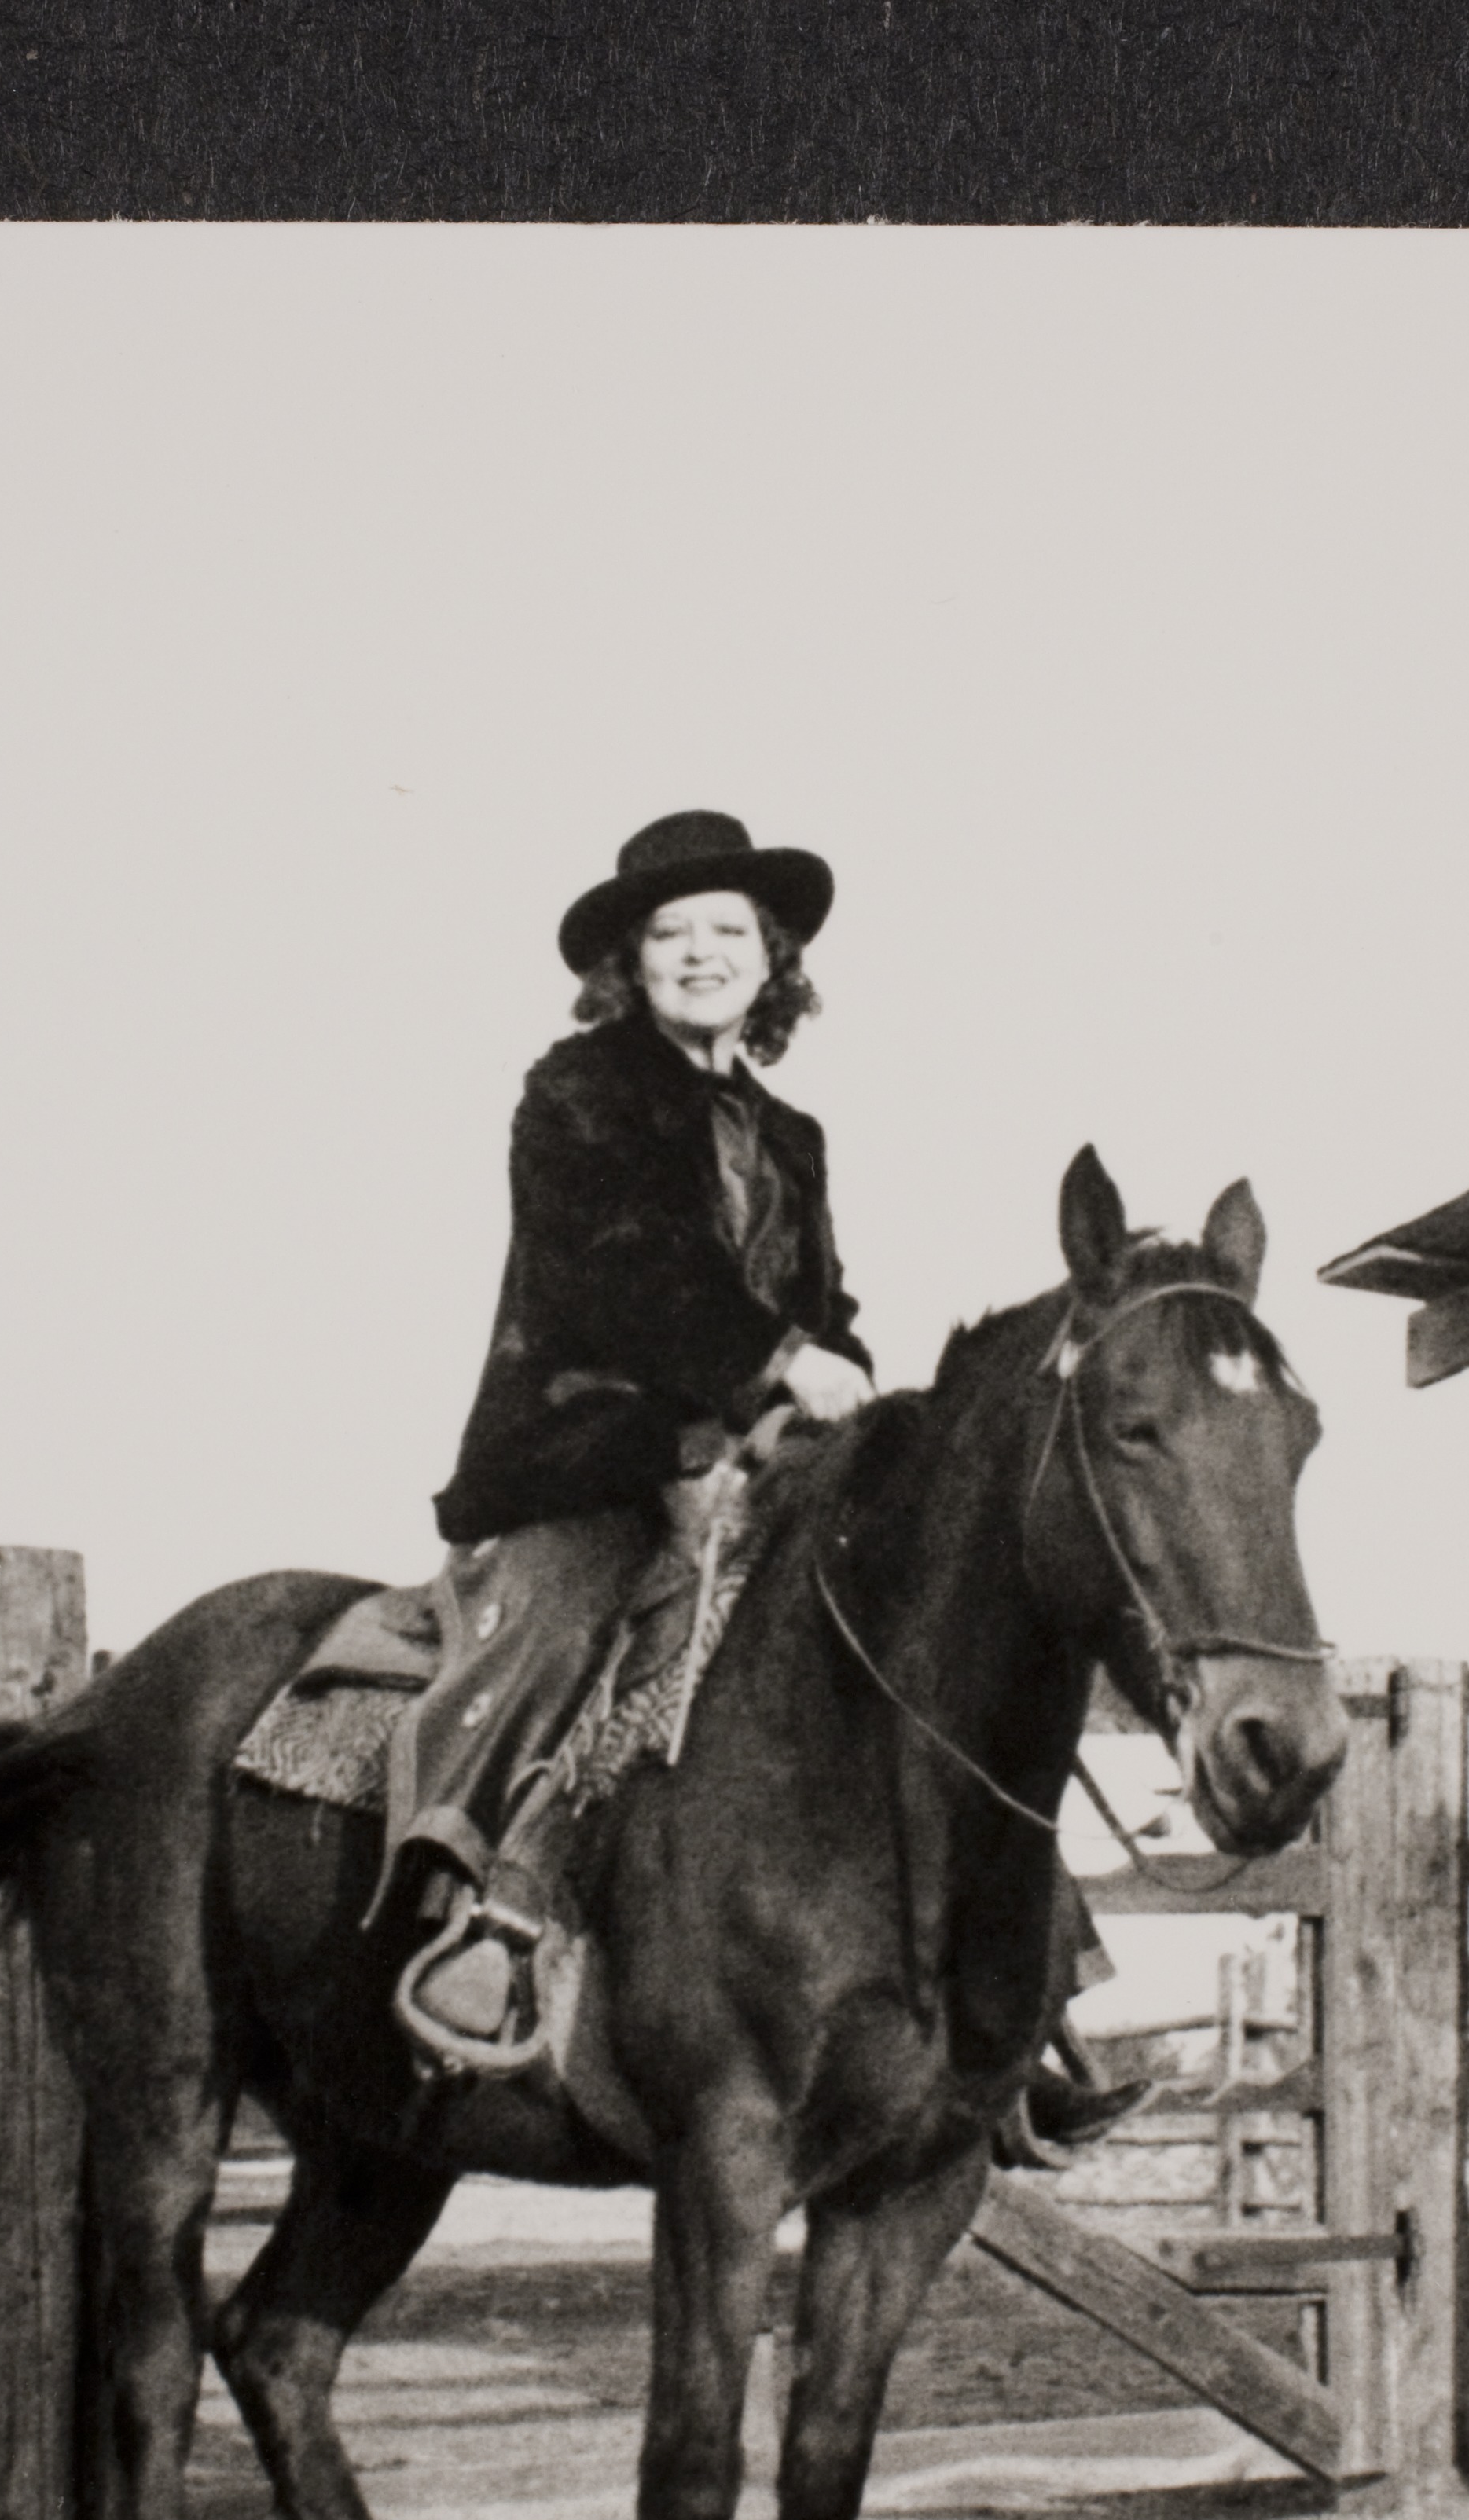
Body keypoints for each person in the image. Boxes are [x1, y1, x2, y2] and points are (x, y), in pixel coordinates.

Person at [394, 811, 1143, 2153]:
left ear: (772, 957)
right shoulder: (573, 1092)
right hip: (596, 1441)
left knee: (936, 1650)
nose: (699, 953)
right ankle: (499, 1916)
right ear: (630, 964)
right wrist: (781, 1360)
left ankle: (1015, 2007)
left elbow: (825, 1298)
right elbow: (616, 1271)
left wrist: (839, 1359)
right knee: (581, 1615)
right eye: (670, 934)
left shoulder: (792, 1133)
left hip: (767, 1445)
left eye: (727, 931)